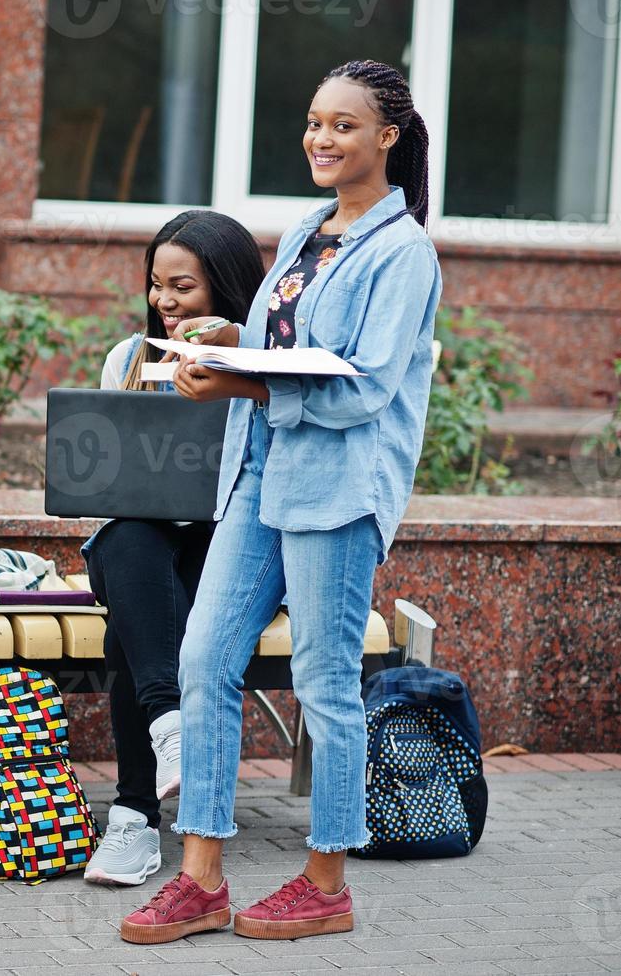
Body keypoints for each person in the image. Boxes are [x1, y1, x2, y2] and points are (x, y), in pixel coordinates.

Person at [119, 60, 441, 944]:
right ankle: (201, 878)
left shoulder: (400, 250)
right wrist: (232, 338)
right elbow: (283, 340)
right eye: (312, 121)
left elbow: (365, 388)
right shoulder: (310, 229)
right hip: (258, 478)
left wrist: (241, 386)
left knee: (325, 686)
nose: (320, 138)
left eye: (342, 125)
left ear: (387, 137)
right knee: (202, 659)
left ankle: (326, 881)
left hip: (336, 490)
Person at [81, 211, 265, 887]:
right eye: (156, 285)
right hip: (137, 544)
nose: (163, 300)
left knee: (131, 630)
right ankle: (170, 723)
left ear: (223, 288)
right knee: (129, 538)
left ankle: (132, 819)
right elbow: (108, 483)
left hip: (226, 549)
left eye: (181, 287)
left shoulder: (259, 366)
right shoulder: (127, 358)